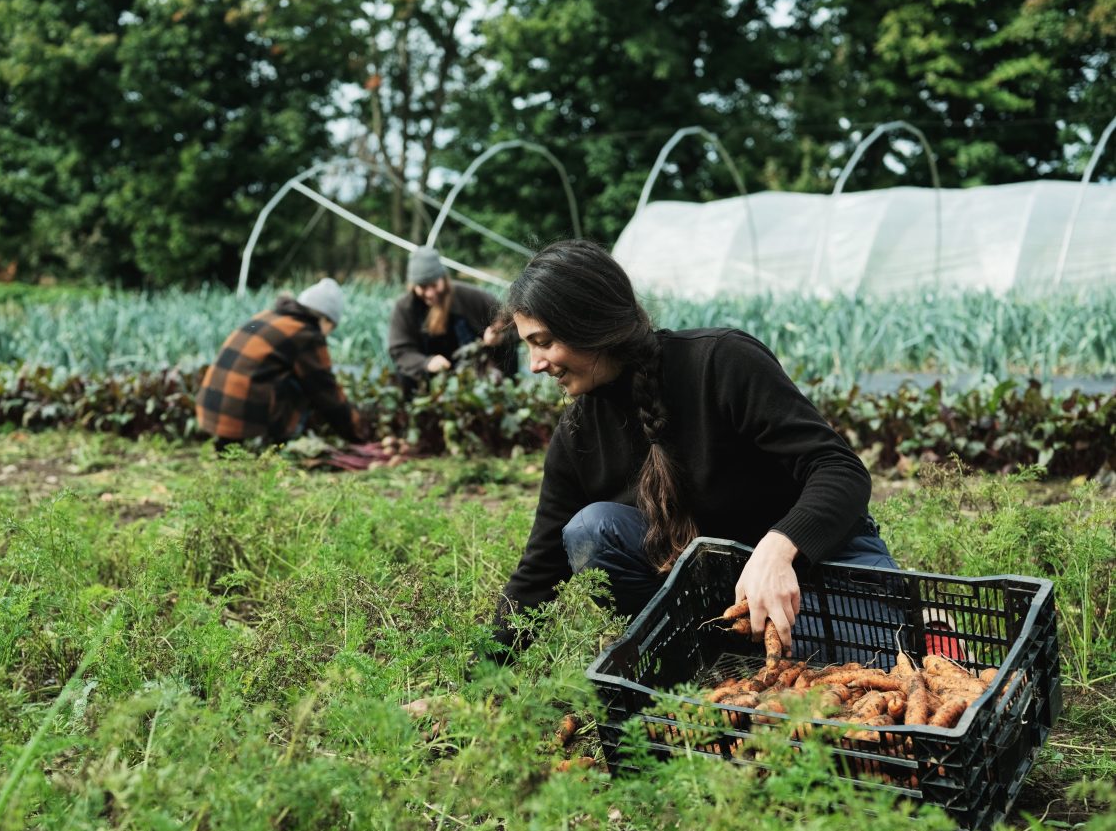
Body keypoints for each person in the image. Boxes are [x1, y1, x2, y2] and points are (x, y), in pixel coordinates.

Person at [489, 239, 897, 659]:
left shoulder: (719, 361)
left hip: (824, 569)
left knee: (883, 663)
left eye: (544, 341)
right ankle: (708, 650)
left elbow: (839, 469)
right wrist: (475, 684)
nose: (536, 364)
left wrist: (778, 548)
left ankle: (773, 647)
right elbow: (540, 570)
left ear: (590, 324)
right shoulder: (578, 435)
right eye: (528, 345)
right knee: (591, 530)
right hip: (725, 596)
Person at [196, 277, 366, 449]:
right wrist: (358, 433)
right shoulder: (306, 334)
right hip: (238, 419)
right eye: (332, 327)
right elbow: (325, 391)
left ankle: (228, 444)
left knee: (284, 373)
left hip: (210, 411)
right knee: (303, 385)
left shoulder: (269, 316)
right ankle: (277, 444)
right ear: (325, 319)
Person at [387, 245, 519, 393]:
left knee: (508, 353)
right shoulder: (405, 308)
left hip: (476, 374)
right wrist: (426, 363)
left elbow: (514, 325)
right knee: (404, 376)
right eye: (423, 287)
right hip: (432, 381)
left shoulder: (470, 297)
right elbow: (400, 350)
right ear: (413, 286)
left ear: (443, 278)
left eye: (434, 285)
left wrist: (499, 337)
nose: (430, 293)